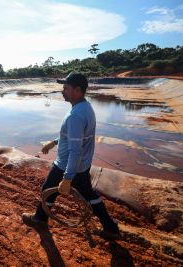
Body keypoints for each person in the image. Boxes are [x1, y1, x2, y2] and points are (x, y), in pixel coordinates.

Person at [22, 72, 121, 239]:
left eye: (66, 88)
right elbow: (74, 137)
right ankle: (111, 228)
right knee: (89, 195)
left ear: (77, 90)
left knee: (48, 189)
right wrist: (54, 142)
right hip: (81, 164)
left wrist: (67, 178)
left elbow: (75, 149)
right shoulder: (85, 107)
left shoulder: (75, 115)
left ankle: (39, 218)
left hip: (67, 164)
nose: (62, 91)